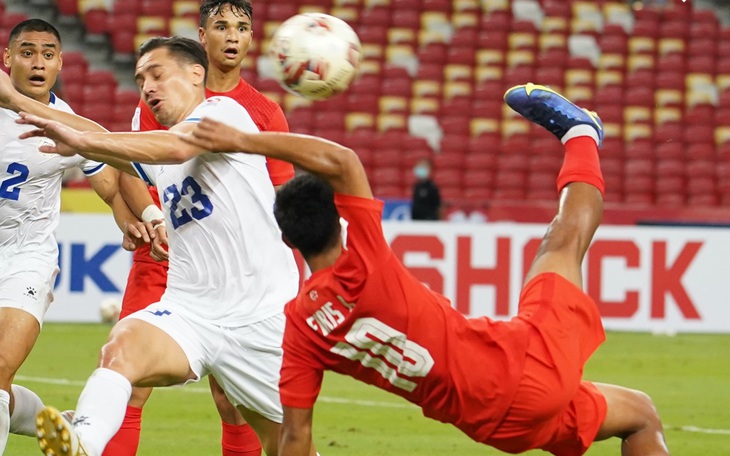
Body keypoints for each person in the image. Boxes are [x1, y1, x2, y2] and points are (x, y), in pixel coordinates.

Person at [180, 83, 671, 455]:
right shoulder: (365, 260)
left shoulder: (301, 327)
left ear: (286, 239)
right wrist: (245, 140)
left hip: (492, 427)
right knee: (561, 244)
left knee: (639, 415)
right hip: (520, 368)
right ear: (340, 218)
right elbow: (343, 159)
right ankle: (582, 133)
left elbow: (296, 435)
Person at [19, 36, 303, 456]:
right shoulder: (160, 152)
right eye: (139, 80)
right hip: (191, 311)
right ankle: (84, 443)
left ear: (195, 73)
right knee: (122, 345)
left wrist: (84, 142)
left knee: (287, 446)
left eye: (157, 73)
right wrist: (46, 118)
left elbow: (174, 146)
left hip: (259, 318)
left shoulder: (224, 113)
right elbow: (121, 149)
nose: (147, 87)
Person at [112, 1, 295, 454]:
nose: (232, 36)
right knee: (129, 379)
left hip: (235, 271)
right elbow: (131, 171)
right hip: (164, 259)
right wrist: (148, 219)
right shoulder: (159, 90)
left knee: (234, 402)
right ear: (202, 36)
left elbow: (280, 197)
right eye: (221, 26)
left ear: (251, 38)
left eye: (242, 27)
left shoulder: (263, 111)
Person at [0, 19, 155, 455]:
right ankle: (59, 421)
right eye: (27, 52)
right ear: (7, 59)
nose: (37, 62)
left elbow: (107, 178)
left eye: (48, 54)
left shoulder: (68, 123)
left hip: (25, 258)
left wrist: (129, 218)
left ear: (60, 63)